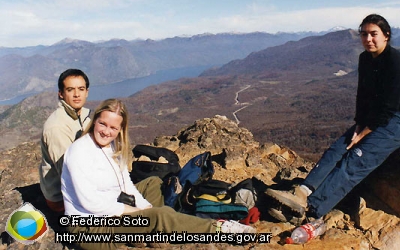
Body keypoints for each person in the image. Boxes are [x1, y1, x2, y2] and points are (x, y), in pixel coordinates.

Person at [61, 98, 256, 250]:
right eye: (102, 124)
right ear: (95, 121)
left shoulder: (111, 146)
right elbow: (91, 205)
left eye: (113, 127)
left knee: (153, 183)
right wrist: (141, 213)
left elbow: (125, 184)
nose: (106, 132)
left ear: (121, 129)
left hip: (112, 211)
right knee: (159, 216)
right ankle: (219, 229)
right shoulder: (79, 152)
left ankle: (152, 228)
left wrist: (144, 206)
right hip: (90, 229)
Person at [266, 14, 400, 224]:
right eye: (364, 34)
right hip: (376, 116)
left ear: (386, 35)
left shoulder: (395, 62)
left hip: (395, 119)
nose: (368, 39)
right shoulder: (365, 58)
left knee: (355, 160)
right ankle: (302, 192)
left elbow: (389, 106)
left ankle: (310, 210)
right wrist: (358, 124)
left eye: (374, 34)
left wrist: (364, 133)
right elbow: (363, 95)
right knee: (338, 148)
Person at [39, 69, 91, 212]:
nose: (76, 94)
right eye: (70, 89)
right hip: (62, 198)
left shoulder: (83, 117)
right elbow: (68, 173)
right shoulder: (57, 127)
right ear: (61, 94)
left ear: (87, 91)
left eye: (81, 89)